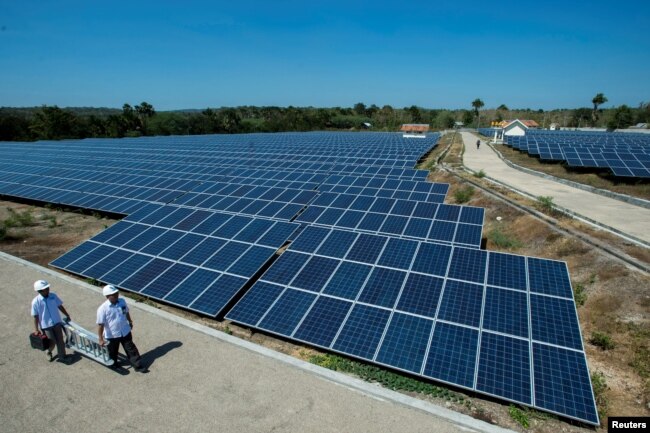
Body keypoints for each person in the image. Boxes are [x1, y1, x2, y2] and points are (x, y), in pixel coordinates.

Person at [97, 285, 145, 372]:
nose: (116, 295)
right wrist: (100, 339)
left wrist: (130, 322)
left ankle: (137, 365)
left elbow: (126, 312)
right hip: (112, 335)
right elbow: (101, 325)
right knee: (112, 351)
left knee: (131, 348)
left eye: (116, 293)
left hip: (125, 331)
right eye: (113, 294)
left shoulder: (122, 301)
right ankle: (114, 364)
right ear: (107, 296)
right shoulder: (103, 309)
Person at [31, 279, 72, 363]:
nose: (48, 290)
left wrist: (67, 314)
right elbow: (35, 316)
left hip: (57, 322)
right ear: (39, 291)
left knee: (60, 341)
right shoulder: (36, 302)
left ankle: (62, 356)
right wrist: (36, 329)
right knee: (52, 342)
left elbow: (60, 306)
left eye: (48, 288)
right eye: (45, 289)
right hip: (46, 326)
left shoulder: (53, 296)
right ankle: (49, 351)